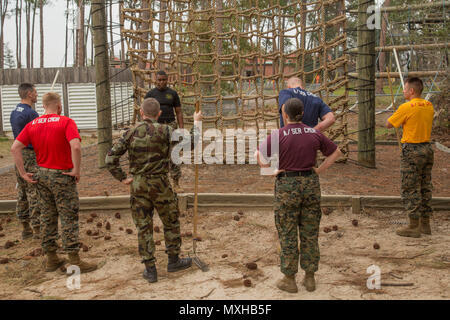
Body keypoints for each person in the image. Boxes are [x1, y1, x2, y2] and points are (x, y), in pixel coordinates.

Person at [105, 97, 202, 284]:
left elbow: (110, 159)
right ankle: (173, 260)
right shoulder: (166, 130)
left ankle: (150, 270)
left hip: (138, 185)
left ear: (141, 113)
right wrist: (196, 122)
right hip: (160, 184)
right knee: (171, 221)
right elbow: (190, 143)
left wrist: (123, 177)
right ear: (159, 114)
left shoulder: (130, 132)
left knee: (143, 226)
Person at [256, 97, 342, 293]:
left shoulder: (279, 134)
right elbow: (336, 152)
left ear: (285, 115)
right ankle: (310, 277)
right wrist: (318, 170)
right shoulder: (314, 133)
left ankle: (289, 278)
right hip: (311, 184)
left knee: (287, 231)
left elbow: (260, 156)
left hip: (287, 185)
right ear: (302, 114)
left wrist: (271, 171)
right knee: (310, 231)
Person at [11, 92, 97, 273]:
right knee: (68, 217)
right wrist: (76, 169)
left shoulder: (32, 124)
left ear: (43, 106)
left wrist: (23, 173)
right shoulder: (66, 122)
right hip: (62, 176)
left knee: (47, 216)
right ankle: (74, 260)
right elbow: (75, 146)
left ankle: (51, 258)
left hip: (42, 175)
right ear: (59, 106)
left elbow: (14, 148)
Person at [386, 77, 434, 238]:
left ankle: (414, 225)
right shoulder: (429, 105)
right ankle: (425, 224)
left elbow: (389, 124)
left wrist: (396, 113)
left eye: (405, 89)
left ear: (412, 91)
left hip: (412, 150)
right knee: (425, 185)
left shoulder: (406, 107)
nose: (404, 91)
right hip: (427, 149)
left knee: (410, 188)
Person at [9, 83, 41, 240]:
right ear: (29, 94)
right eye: (35, 92)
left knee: (22, 190)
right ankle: (37, 229)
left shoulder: (14, 112)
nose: (37, 95)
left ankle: (25, 227)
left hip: (18, 155)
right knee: (33, 190)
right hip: (29, 154)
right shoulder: (31, 114)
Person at [144, 70, 184, 190]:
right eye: (159, 80)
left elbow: (178, 111)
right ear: (155, 80)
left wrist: (181, 128)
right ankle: (156, 183)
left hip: (171, 126)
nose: (161, 82)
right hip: (156, 127)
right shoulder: (150, 94)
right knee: (156, 154)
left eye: (163, 80)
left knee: (174, 154)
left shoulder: (172, 94)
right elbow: (145, 113)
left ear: (167, 80)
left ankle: (176, 183)